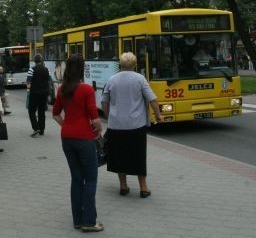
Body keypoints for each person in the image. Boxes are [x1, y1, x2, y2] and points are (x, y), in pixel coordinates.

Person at [52, 53, 104, 232]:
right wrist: (99, 130)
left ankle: (77, 219)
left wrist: (66, 124)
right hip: (84, 139)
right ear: (82, 68)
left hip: (67, 138)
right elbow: (94, 117)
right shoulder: (86, 90)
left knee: (76, 179)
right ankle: (89, 221)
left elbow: (55, 113)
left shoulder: (62, 89)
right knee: (90, 180)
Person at [101, 52, 162, 198]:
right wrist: (158, 115)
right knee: (138, 156)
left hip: (116, 126)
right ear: (135, 65)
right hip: (136, 125)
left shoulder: (112, 79)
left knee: (119, 155)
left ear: (120, 65)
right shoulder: (140, 79)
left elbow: (104, 101)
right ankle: (143, 188)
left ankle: (123, 186)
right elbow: (152, 99)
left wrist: (109, 116)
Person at [27, 53, 50, 137]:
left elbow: (28, 82)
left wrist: (28, 87)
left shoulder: (31, 69)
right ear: (41, 60)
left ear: (34, 61)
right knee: (41, 111)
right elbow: (48, 80)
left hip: (34, 93)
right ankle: (42, 130)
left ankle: (36, 128)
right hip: (44, 94)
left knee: (31, 110)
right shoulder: (46, 69)